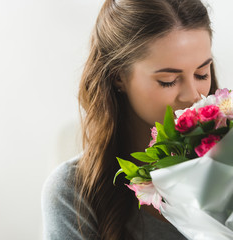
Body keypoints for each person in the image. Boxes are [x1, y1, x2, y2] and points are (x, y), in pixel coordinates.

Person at [41, 0, 218, 239]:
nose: (193, 96)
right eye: (168, 80)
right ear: (118, 77)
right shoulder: (74, 192)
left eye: (201, 74)